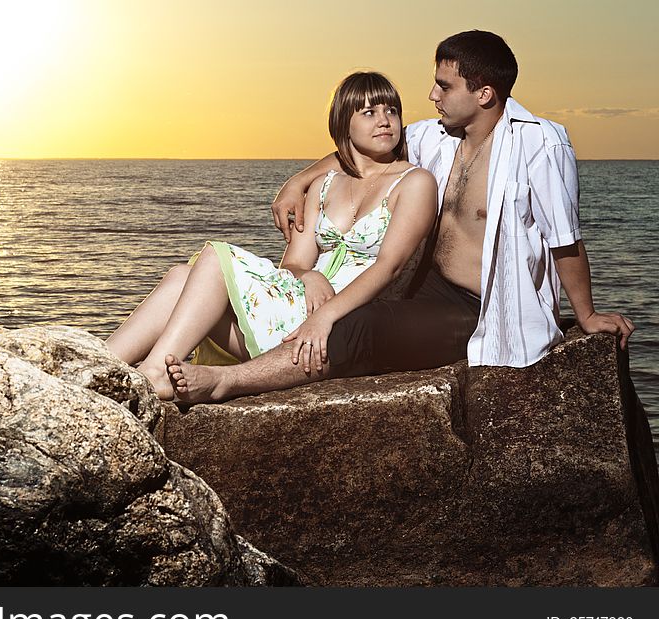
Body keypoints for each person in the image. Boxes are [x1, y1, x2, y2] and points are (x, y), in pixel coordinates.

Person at [165, 29, 634, 402]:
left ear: (485, 93)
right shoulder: (437, 135)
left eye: (445, 86)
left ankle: (225, 382)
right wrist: (299, 180)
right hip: (423, 285)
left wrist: (586, 315)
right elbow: (363, 147)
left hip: (476, 305)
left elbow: (564, 239)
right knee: (347, 301)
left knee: (356, 327)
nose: (432, 94)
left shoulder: (539, 143)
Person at [105, 72, 437, 400]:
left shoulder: (414, 182)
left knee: (215, 256)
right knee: (181, 277)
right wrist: (309, 276)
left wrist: (323, 317)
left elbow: (388, 268)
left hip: (343, 323)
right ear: (343, 124)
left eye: (391, 110)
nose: (384, 121)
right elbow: (293, 262)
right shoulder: (325, 185)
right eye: (369, 112)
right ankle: (102, 363)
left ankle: (154, 372)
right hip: (298, 308)